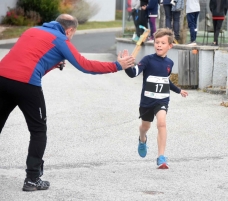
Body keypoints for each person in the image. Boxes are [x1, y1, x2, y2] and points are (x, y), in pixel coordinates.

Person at [0, 14, 135, 191]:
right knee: (38, 130)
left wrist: (52, 64)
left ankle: (33, 177)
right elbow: (85, 65)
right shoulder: (61, 39)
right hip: (27, 84)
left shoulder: (32, 30)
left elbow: (30, 59)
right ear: (70, 30)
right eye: (73, 34)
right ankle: (32, 179)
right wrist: (117, 66)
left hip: (2, 78)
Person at [124, 28, 188, 169]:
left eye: (162, 43)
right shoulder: (148, 60)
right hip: (147, 101)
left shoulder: (169, 63)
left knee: (162, 124)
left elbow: (166, 81)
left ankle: (161, 157)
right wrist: (127, 66)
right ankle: (142, 139)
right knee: (145, 126)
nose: (159, 45)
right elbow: (134, 73)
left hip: (162, 100)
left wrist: (179, 90)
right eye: (157, 42)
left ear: (170, 46)